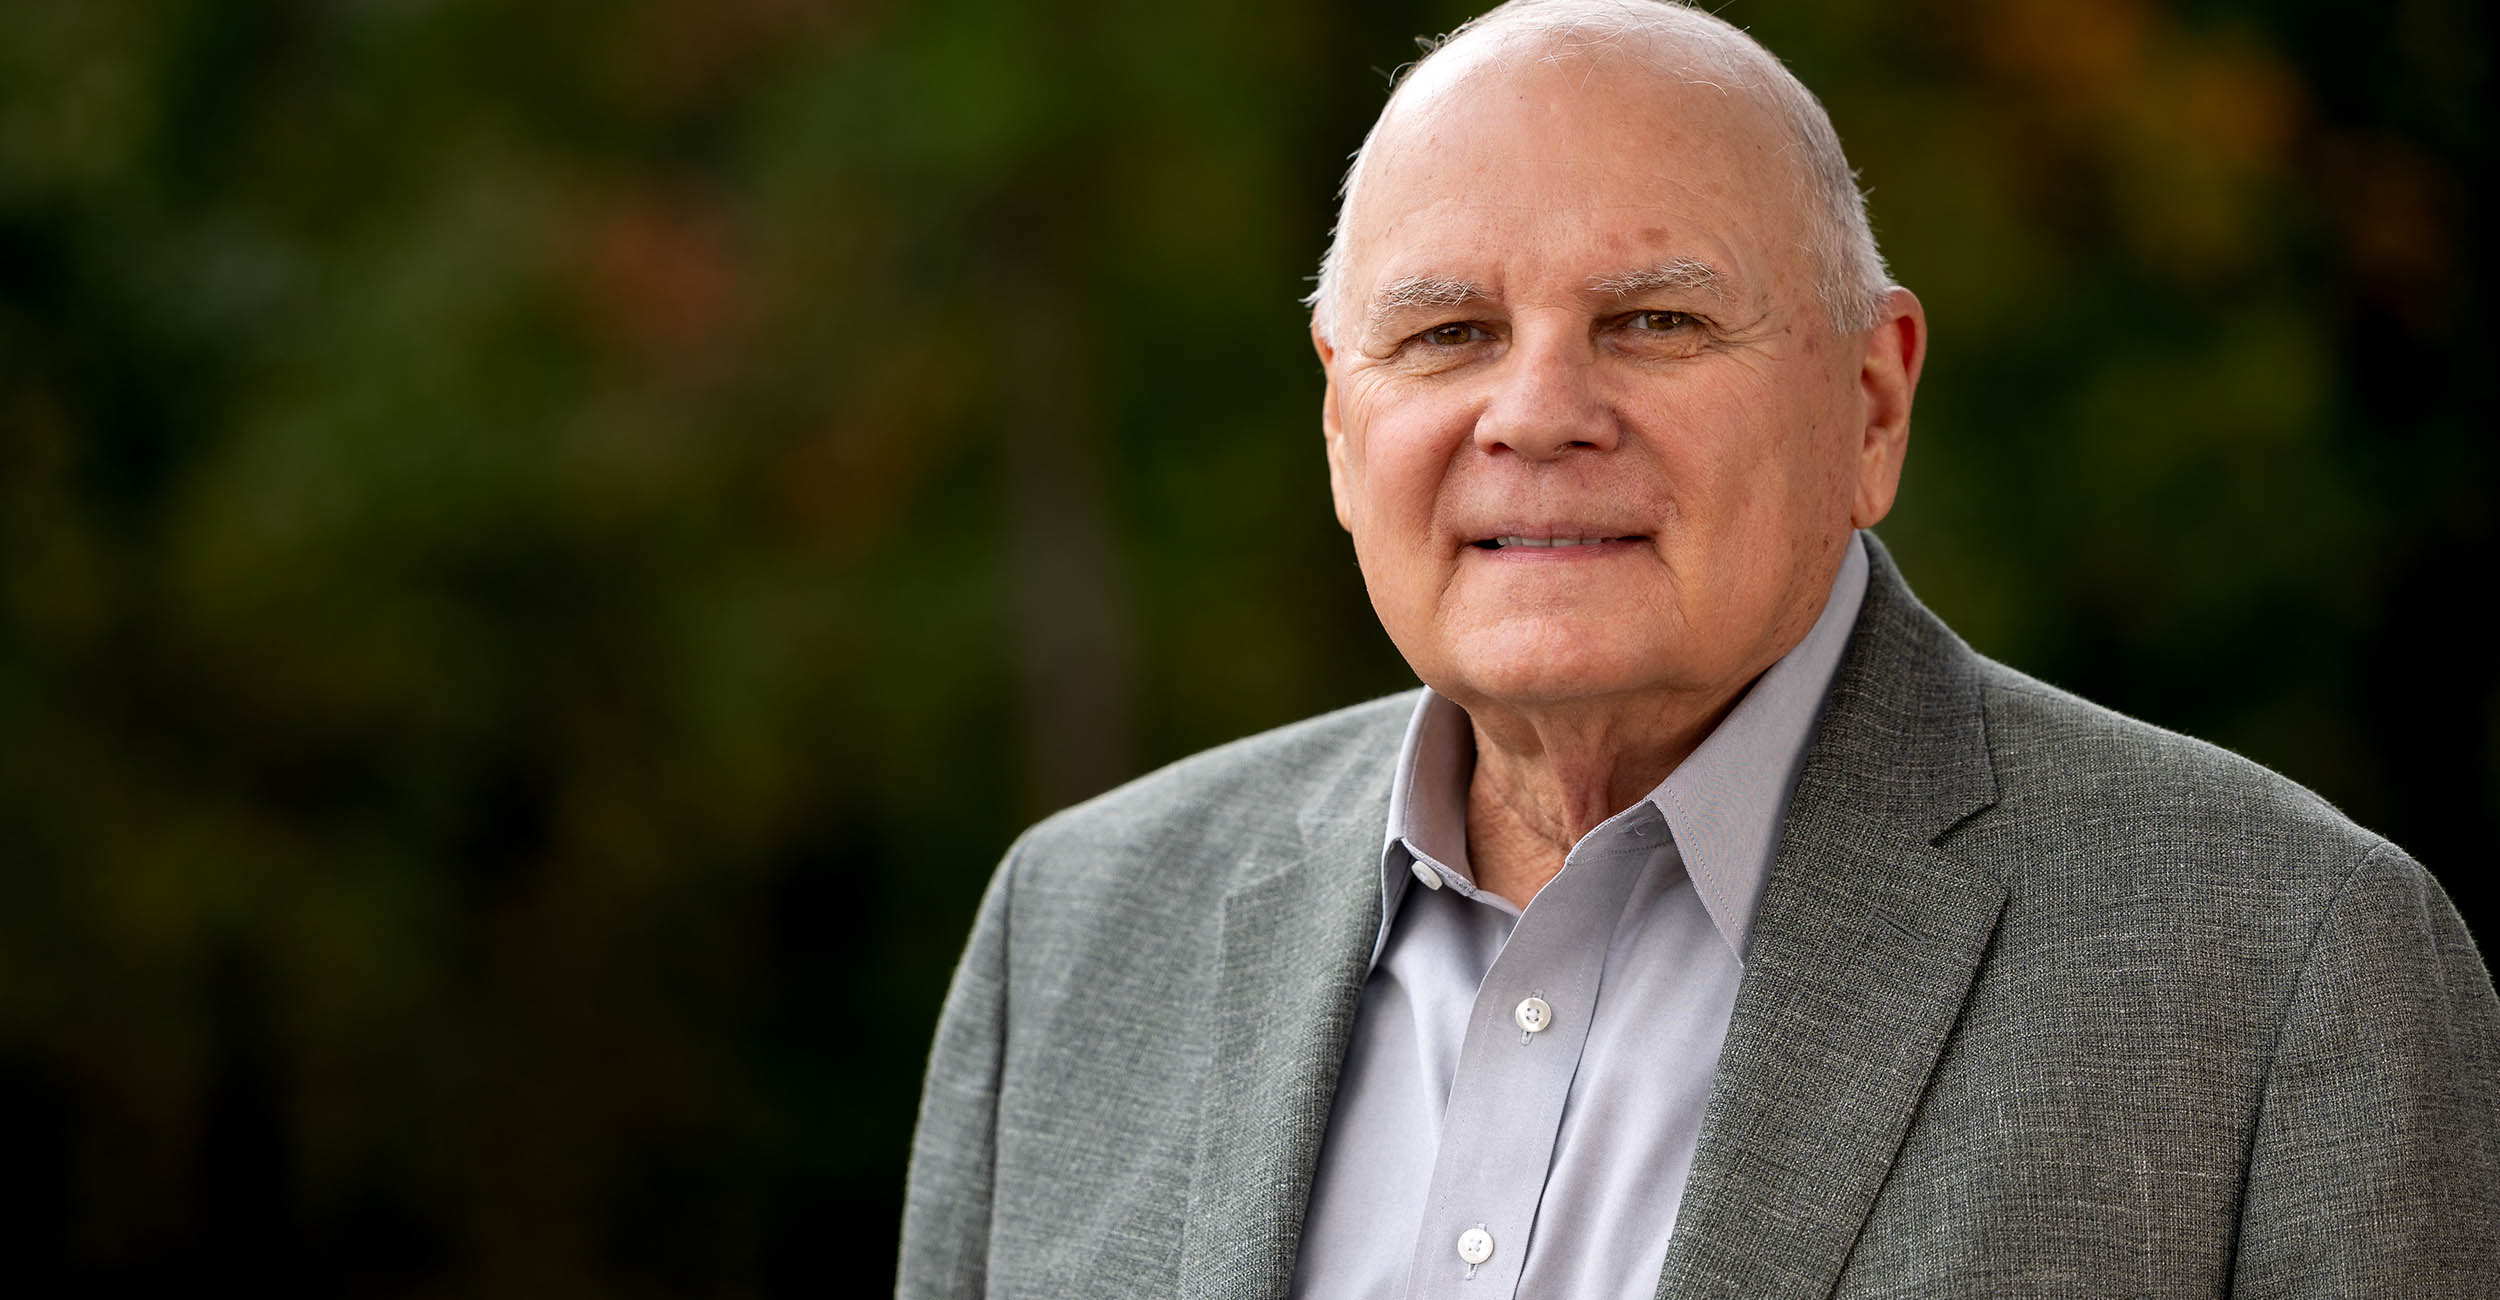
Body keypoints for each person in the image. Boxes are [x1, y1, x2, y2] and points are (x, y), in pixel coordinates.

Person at [896, 1, 2500, 1295]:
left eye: (1655, 321)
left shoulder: (2287, 966)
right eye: (1449, 333)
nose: (1537, 413)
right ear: (1338, 420)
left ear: (1872, 401)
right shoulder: (1080, 932)